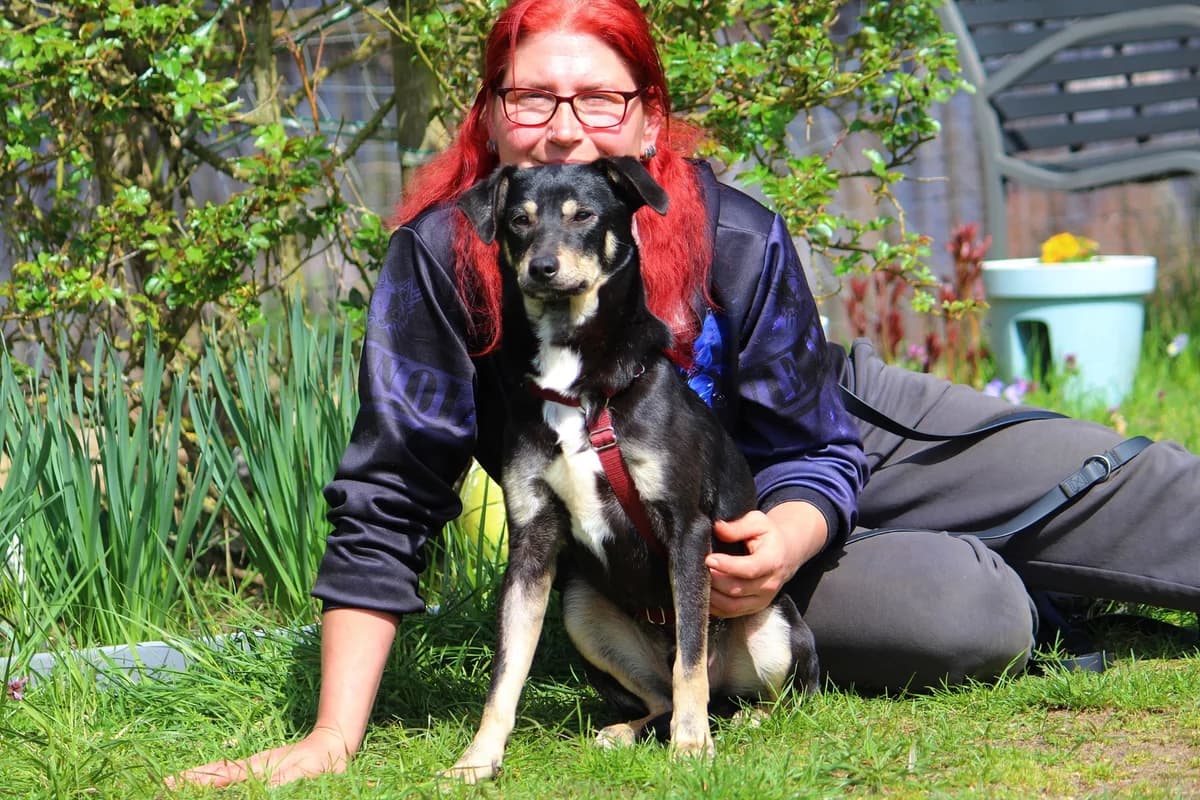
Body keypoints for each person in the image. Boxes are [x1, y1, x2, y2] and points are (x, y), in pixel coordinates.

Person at [172, 0, 1200, 787]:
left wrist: (796, 530)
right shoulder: (442, 261)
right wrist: (331, 734)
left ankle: (1065, 541)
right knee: (964, 612)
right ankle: (1046, 592)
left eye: (600, 100)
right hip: (692, 553)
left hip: (830, 434)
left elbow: (815, 438)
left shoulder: (729, 225)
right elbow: (390, 490)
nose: (565, 129)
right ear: (492, 113)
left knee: (1137, 486)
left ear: (647, 114)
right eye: (532, 98)